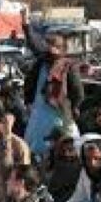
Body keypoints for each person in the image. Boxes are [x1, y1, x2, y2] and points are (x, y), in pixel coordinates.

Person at [22, 9, 84, 157]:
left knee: (62, 148)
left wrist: (72, 109)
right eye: (48, 45)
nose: (50, 49)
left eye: (54, 46)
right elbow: (34, 43)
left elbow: (78, 93)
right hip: (38, 114)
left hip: (59, 114)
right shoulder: (42, 62)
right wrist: (25, 24)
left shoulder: (68, 66)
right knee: (34, 150)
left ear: (62, 49)